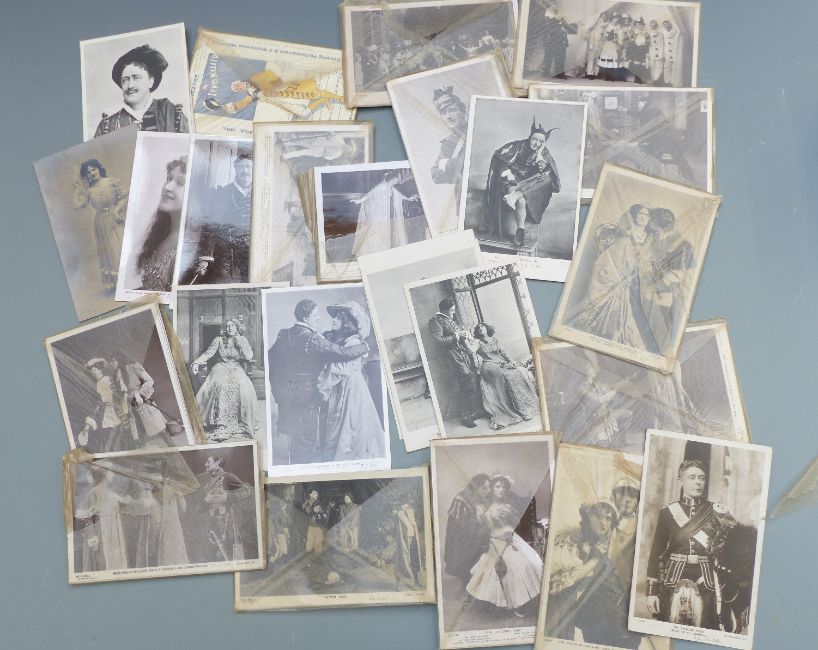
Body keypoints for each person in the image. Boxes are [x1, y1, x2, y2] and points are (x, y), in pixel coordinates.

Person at [267, 299, 372, 464]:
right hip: (306, 397)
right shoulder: (312, 339)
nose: (319, 318)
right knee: (305, 441)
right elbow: (341, 352)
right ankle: (301, 472)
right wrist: (364, 347)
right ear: (306, 318)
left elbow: (271, 363)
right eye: (315, 315)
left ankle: (294, 467)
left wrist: (278, 391)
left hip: (287, 395)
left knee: (295, 437)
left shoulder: (283, 334)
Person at [646, 459, 736, 629]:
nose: (698, 482)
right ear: (681, 481)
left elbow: (737, 548)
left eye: (701, 478)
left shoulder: (718, 512)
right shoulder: (668, 512)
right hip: (673, 578)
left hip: (707, 581)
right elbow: (656, 554)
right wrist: (652, 592)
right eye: (692, 477)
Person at [566, 204, 660, 354]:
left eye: (646, 215)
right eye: (640, 214)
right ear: (634, 216)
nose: (643, 217)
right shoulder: (626, 235)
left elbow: (649, 260)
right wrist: (622, 274)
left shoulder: (650, 238)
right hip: (621, 276)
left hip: (639, 280)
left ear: (649, 219)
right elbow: (613, 258)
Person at [466, 475, 543, 617]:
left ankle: (524, 602)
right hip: (497, 543)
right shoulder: (486, 508)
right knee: (515, 566)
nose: (501, 489)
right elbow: (487, 530)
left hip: (512, 542)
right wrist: (493, 517)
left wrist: (512, 517)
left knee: (528, 562)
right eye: (497, 486)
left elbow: (516, 525)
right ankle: (514, 603)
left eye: (503, 487)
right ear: (492, 489)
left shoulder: (508, 506)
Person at [317, 302, 385, 462]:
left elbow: (342, 369)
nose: (333, 320)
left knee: (351, 422)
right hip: (342, 385)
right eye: (334, 318)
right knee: (340, 421)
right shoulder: (343, 342)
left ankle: (349, 456)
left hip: (351, 387)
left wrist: (322, 369)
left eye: (338, 318)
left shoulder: (354, 343)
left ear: (346, 322)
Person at [545, 500, 619, 639]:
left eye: (608, 518)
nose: (603, 523)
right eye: (598, 516)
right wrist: (594, 560)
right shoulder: (571, 536)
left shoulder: (597, 543)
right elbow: (560, 582)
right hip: (553, 606)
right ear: (588, 516)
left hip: (569, 607)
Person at [482, 119, 561, 247]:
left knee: (547, 178)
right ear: (530, 137)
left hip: (529, 184)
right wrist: (509, 175)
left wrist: (539, 156)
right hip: (512, 180)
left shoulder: (544, 153)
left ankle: (515, 195)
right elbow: (500, 161)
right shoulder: (517, 146)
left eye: (540, 141)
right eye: (535, 139)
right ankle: (520, 231)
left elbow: (548, 176)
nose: (537, 143)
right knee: (520, 201)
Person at [180, 151, 253, 285]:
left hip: (251, 256)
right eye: (241, 167)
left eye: (248, 167)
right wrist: (205, 257)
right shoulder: (221, 194)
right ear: (235, 168)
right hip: (226, 257)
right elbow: (211, 226)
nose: (245, 171)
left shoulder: (258, 195)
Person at [94, 44, 189, 137]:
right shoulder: (107, 126)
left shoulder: (171, 113)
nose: (130, 85)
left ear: (151, 82)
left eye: (136, 78)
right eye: (125, 80)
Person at [191, 317, 257, 442]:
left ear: (237, 328)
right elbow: (208, 354)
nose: (230, 328)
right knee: (220, 384)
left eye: (233, 325)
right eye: (227, 326)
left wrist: (240, 342)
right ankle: (220, 423)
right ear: (225, 328)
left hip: (236, 367)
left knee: (242, 384)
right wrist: (196, 363)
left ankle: (241, 421)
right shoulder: (219, 340)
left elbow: (249, 356)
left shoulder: (242, 340)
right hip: (221, 366)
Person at [73, 159, 129, 290]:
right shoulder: (89, 191)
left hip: (115, 217)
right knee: (110, 251)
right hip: (101, 222)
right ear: (86, 176)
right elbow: (77, 205)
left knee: (120, 246)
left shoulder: (111, 182)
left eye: (94, 169)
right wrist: (77, 188)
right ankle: (118, 283)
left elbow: (125, 196)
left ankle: (129, 279)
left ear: (99, 169)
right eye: (88, 172)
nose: (92, 173)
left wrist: (116, 210)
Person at [427, 298, 482, 429]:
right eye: (451, 310)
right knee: (467, 383)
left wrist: (465, 334)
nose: (453, 313)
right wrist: (457, 335)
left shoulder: (451, 320)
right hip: (452, 355)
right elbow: (438, 341)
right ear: (444, 310)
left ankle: (471, 412)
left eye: (453, 310)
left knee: (470, 383)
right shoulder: (436, 321)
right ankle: (465, 416)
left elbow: (459, 333)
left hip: (463, 354)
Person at [135, 156, 187, 292]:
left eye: (181, 182)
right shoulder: (162, 232)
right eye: (169, 179)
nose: (167, 187)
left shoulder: (190, 246)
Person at [472, 323, 538, 430]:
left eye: (482, 327)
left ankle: (525, 408)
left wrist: (512, 361)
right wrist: (468, 339)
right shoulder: (477, 341)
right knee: (504, 375)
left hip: (501, 362)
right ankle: (512, 410)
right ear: (476, 331)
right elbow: (472, 350)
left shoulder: (494, 339)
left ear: (487, 328)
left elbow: (503, 352)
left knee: (518, 372)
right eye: (478, 328)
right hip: (489, 365)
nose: (480, 328)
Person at [645, 207, 694, 351]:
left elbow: (680, 274)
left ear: (659, 224)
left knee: (662, 330)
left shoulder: (683, 244)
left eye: (652, 222)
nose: (649, 224)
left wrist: (657, 286)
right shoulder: (655, 238)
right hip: (650, 288)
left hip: (668, 293)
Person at [350, 171, 421, 257]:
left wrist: (410, 198)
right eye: (396, 179)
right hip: (380, 213)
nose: (397, 180)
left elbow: (401, 196)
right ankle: (373, 249)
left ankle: (385, 249)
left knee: (387, 231)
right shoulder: (382, 186)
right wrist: (360, 200)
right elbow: (370, 194)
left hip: (389, 213)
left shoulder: (393, 188)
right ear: (392, 179)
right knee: (376, 231)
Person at [75, 466, 132, 571]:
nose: (112, 474)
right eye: (109, 471)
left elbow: (124, 503)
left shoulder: (111, 494)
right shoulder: (93, 493)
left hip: (113, 533)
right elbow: (87, 518)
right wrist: (93, 539)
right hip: (100, 533)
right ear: (104, 475)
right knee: (102, 562)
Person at [194, 455, 250, 562]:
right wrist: (205, 501)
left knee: (230, 558)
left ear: (217, 463)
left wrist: (228, 497)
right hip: (211, 529)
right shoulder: (206, 486)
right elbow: (197, 511)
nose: (205, 464)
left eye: (208, 462)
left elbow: (247, 490)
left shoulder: (227, 477)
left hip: (227, 527)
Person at [108, 354, 171, 448]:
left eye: (113, 361)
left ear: (119, 360)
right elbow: (121, 391)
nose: (111, 363)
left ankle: (170, 444)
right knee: (136, 428)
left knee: (155, 424)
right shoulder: (116, 375)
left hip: (140, 401)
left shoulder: (132, 367)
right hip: (129, 405)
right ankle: (141, 448)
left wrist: (140, 395)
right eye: (110, 362)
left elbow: (149, 380)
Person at [130, 473, 189, 568]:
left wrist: (180, 494)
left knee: (169, 562)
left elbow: (184, 508)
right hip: (151, 539)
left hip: (168, 538)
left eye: (158, 482)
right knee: (152, 562)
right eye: (153, 482)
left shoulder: (172, 490)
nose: (155, 484)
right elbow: (137, 509)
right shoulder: (147, 492)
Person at [444, 474, 491, 587]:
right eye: (484, 488)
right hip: (462, 538)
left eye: (488, 487)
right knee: (467, 560)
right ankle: (467, 583)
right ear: (476, 488)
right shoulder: (461, 500)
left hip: (476, 535)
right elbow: (459, 526)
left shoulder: (482, 498)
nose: (488, 491)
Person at [430, 86, 468, 219]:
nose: (448, 116)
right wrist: (459, 171)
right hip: (462, 202)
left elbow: (473, 161)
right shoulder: (450, 141)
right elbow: (435, 175)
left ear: (462, 111)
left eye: (451, 110)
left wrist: (447, 164)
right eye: (443, 113)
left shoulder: (475, 128)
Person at [540, 5, 576, 78]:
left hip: (560, 41)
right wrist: (559, 21)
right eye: (553, 7)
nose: (555, 8)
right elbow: (549, 29)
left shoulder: (560, 18)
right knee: (548, 58)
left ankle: (559, 73)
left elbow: (569, 29)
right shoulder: (549, 18)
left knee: (560, 58)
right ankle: (545, 72)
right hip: (551, 40)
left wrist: (565, 24)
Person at [395, 498, 422, 587]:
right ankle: (398, 583)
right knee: (401, 560)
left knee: (414, 559)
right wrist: (401, 512)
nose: (409, 504)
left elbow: (414, 523)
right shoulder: (399, 513)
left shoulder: (410, 511)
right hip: (403, 541)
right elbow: (398, 528)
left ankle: (416, 581)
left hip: (413, 538)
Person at [302, 489, 328, 554]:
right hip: (309, 525)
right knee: (310, 543)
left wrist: (323, 514)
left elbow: (322, 512)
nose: (317, 494)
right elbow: (307, 512)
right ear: (310, 495)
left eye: (317, 493)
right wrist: (313, 510)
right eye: (315, 493)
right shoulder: (306, 503)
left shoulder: (318, 502)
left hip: (318, 525)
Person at [662, 20, 682, 87]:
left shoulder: (675, 32)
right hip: (666, 52)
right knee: (667, 67)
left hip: (674, 51)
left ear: (670, 24)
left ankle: (673, 81)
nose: (666, 26)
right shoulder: (663, 33)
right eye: (664, 25)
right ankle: (667, 81)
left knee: (674, 67)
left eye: (667, 24)